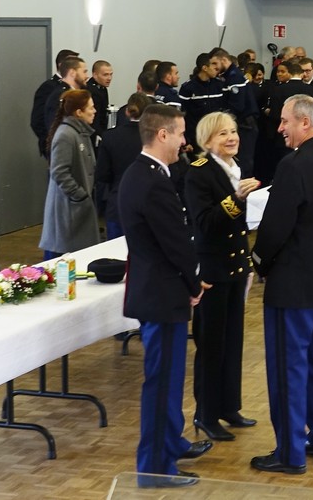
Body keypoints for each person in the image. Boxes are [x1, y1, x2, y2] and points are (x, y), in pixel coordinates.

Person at [250, 94, 313, 474]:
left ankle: (290, 453)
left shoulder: (293, 166)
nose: (280, 128)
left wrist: (258, 262)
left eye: (285, 121)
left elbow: (275, 227)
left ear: (305, 122)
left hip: (291, 288)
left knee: (288, 370)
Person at [118, 104, 212, 487]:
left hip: (156, 289)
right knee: (162, 384)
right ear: (162, 135)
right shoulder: (153, 181)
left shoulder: (141, 173)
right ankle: (155, 468)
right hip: (162, 293)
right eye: (181, 134)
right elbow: (175, 243)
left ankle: (171, 442)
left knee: (169, 379)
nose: (184, 141)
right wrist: (194, 284)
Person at [185, 111, 262, 443]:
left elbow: (239, 225)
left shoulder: (235, 168)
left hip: (235, 266)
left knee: (233, 341)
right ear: (207, 141)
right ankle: (206, 414)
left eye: (233, 131)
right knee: (211, 344)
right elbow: (204, 222)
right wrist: (237, 200)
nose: (232, 138)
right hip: (212, 269)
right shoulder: (199, 172)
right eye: (222, 134)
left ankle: (229, 406)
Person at [39, 90, 101, 259]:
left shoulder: (81, 133)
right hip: (67, 211)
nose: (95, 111)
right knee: (58, 261)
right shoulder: (66, 135)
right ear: (79, 112)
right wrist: (79, 195)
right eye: (91, 107)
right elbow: (59, 171)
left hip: (77, 209)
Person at [95, 93, 149, 239]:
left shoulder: (110, 137)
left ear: (126, 112)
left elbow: (102, 174)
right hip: (146, 203)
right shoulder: (153, 138)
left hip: (118, 202)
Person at [38, 55, 89, 158]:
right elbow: (55, 126)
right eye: (84, 72)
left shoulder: (70, 94)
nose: (87, 76)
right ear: (72, 72)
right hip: (64, 150)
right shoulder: (60, 95)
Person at [30, 49, 79, 155]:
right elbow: (37, 120)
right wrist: (50, 140)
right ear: (62, 65)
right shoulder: (49, 87)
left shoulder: (74, 87)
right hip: (55, 143)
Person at [87, 60, 114, 132]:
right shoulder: (91, 91)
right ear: (95, 75)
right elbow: (95, 119)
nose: (109, 78)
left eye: (111, 74)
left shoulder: (102, 88)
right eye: (105, 75)